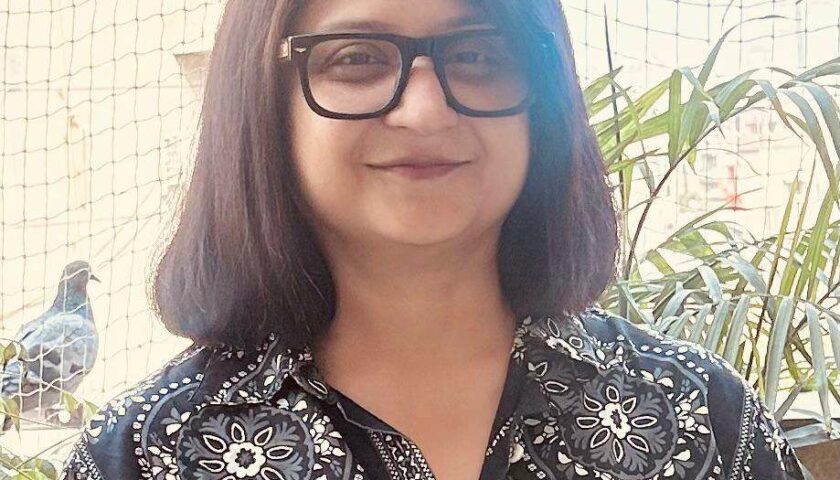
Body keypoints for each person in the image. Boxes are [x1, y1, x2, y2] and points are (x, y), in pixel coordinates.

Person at [60, 0, 806, 479]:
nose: (424, 111)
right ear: (262, 103)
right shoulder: (143, 455)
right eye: (357, 57)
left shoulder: (702, 413)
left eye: (477, 54)